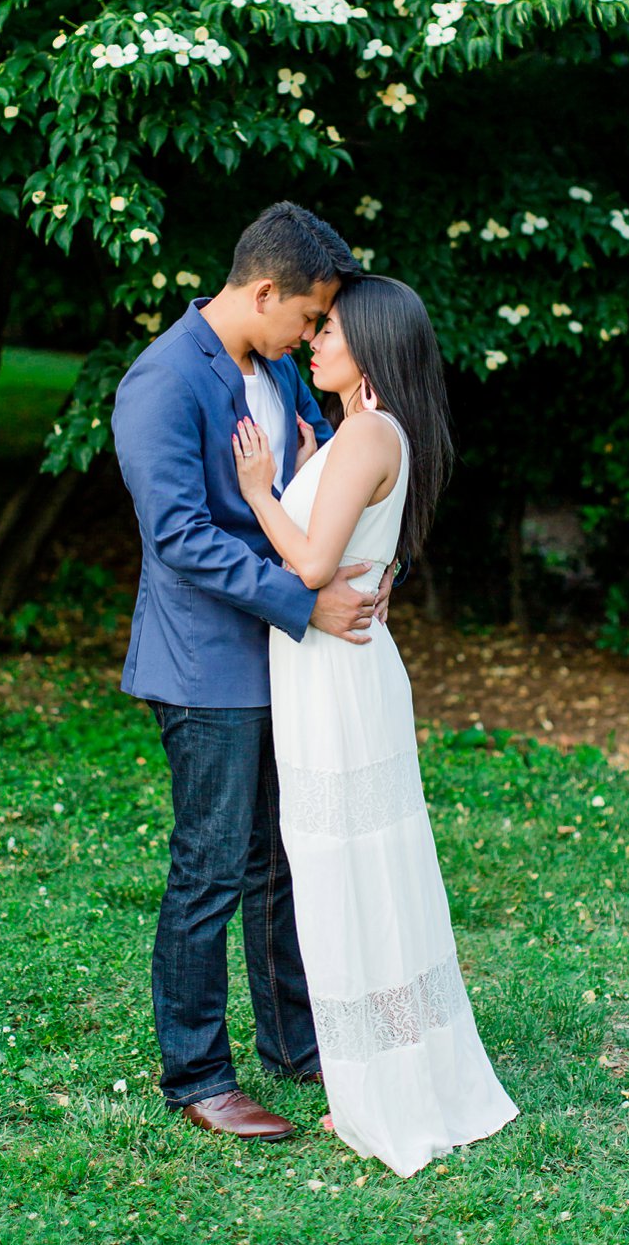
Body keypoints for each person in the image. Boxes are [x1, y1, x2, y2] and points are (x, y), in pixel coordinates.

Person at [112, 201, 395, 1142]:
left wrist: (360, 554)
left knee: (282, 856)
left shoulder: (274, 366)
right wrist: (305, 599)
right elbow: (180, 537)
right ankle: (197, 1073)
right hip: (205, 665)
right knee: (211, 865)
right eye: (310, 316)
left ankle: (295, 1043)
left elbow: (310, 478)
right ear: (264, 290)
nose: (314, 334)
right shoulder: (162, 381)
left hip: (285, 657)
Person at [230, 271, 519, 1176]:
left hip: (336, 681)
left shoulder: (367, 433)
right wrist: (311, 463)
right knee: (364, 866)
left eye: (331, 332)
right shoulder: (369, 431)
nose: (315, 340)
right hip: (346, 674)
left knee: (341, 868)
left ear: (372, 347)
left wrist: (259, 488)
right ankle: (394, 1065)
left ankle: (379, 1083)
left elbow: (314, 564)